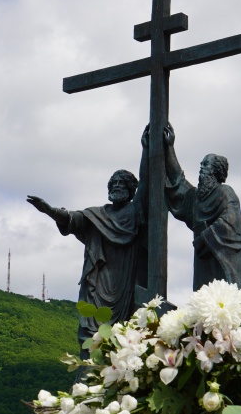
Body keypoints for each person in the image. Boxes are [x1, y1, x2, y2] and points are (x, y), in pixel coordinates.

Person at [26, 128, 149, 356]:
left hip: (124, 284)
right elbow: (73, 219)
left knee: (123, 338)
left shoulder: (136, 211)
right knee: (89, 335)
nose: (115, 186)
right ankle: (88, 379)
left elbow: (148, 182)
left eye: (121, 183)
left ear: (131, 190)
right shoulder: (96, 215)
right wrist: (50, 210)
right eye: (112, 183)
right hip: (96, 285)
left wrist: (147, 149)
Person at [163, 124, 241, 291]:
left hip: (225, 261)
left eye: (205, 165)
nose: (201, 169)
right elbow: (178, 183)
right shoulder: (197, 198)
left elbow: (230, 224)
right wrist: (169, 148)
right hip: (204, 262)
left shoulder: (225, 193)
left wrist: (204, 238)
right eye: (201, 166)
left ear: (216, 171)